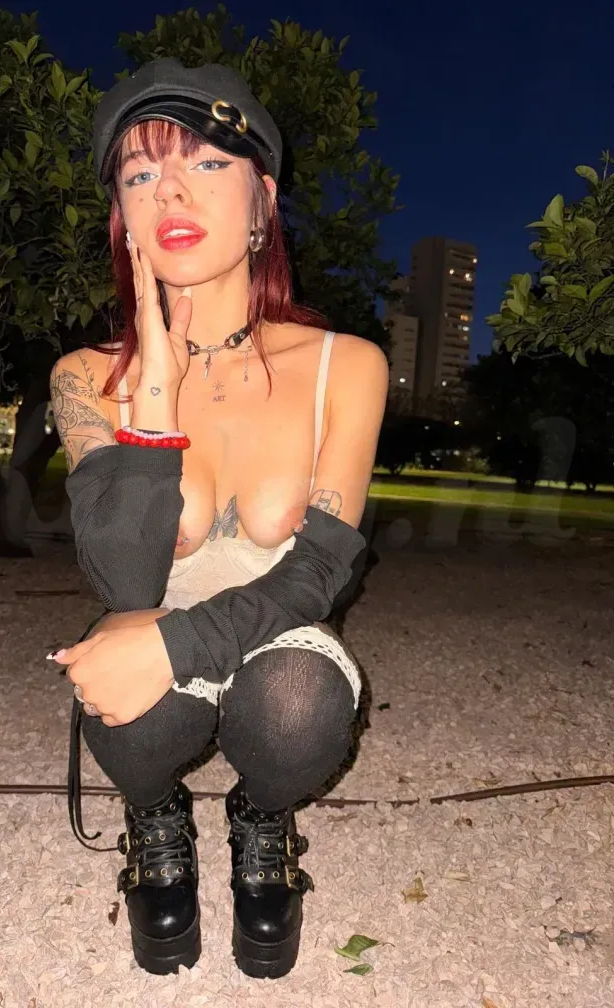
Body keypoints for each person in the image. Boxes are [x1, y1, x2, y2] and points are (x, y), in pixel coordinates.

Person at [48, 58, 388, 980]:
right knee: (128, 719)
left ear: (263, 201)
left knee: (297, 709)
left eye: (206, 162)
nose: (171, 191)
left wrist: (170, 647)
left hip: (278, 626)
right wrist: (153, 395)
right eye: (140, 173)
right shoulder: (86, 378)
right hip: (152, 620)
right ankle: (155, 814)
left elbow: (319, 571)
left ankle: (260, 818)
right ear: (122, 218)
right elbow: (124, 583)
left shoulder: (345, 366)